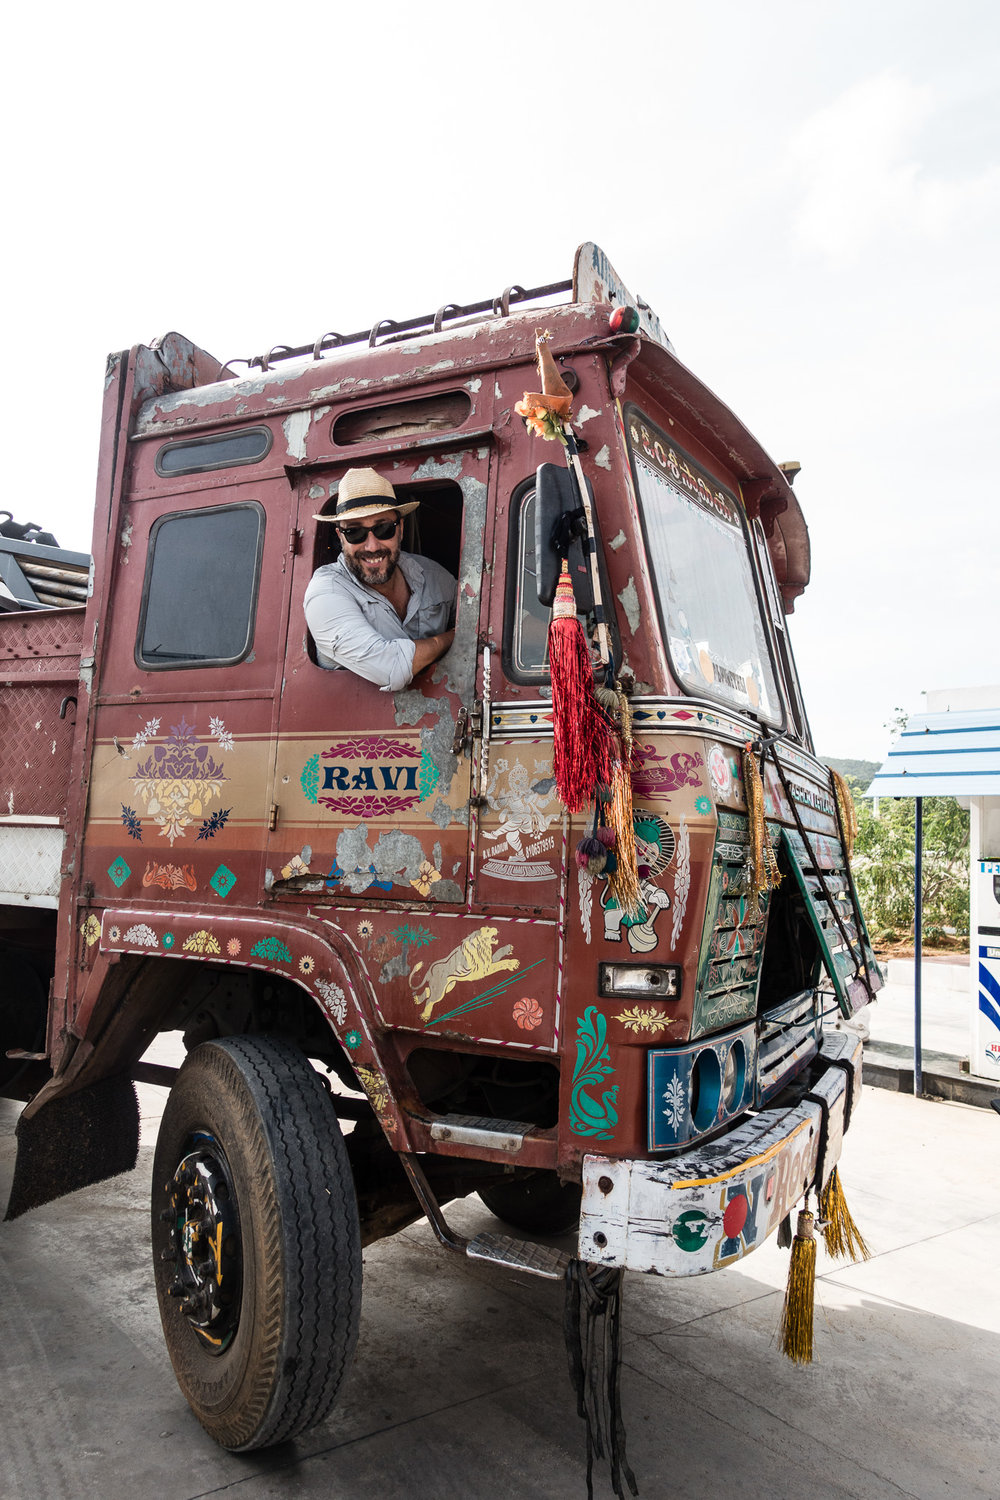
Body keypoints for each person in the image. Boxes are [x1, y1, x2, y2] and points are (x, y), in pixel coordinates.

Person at [304, 467, 456, 691]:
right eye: (355, 532)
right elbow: (391, 668)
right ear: (340, 537)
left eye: (384, 528)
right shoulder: (326, 593)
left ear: (401, 529)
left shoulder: (435, 576)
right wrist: (454, 638)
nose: (372, 546)